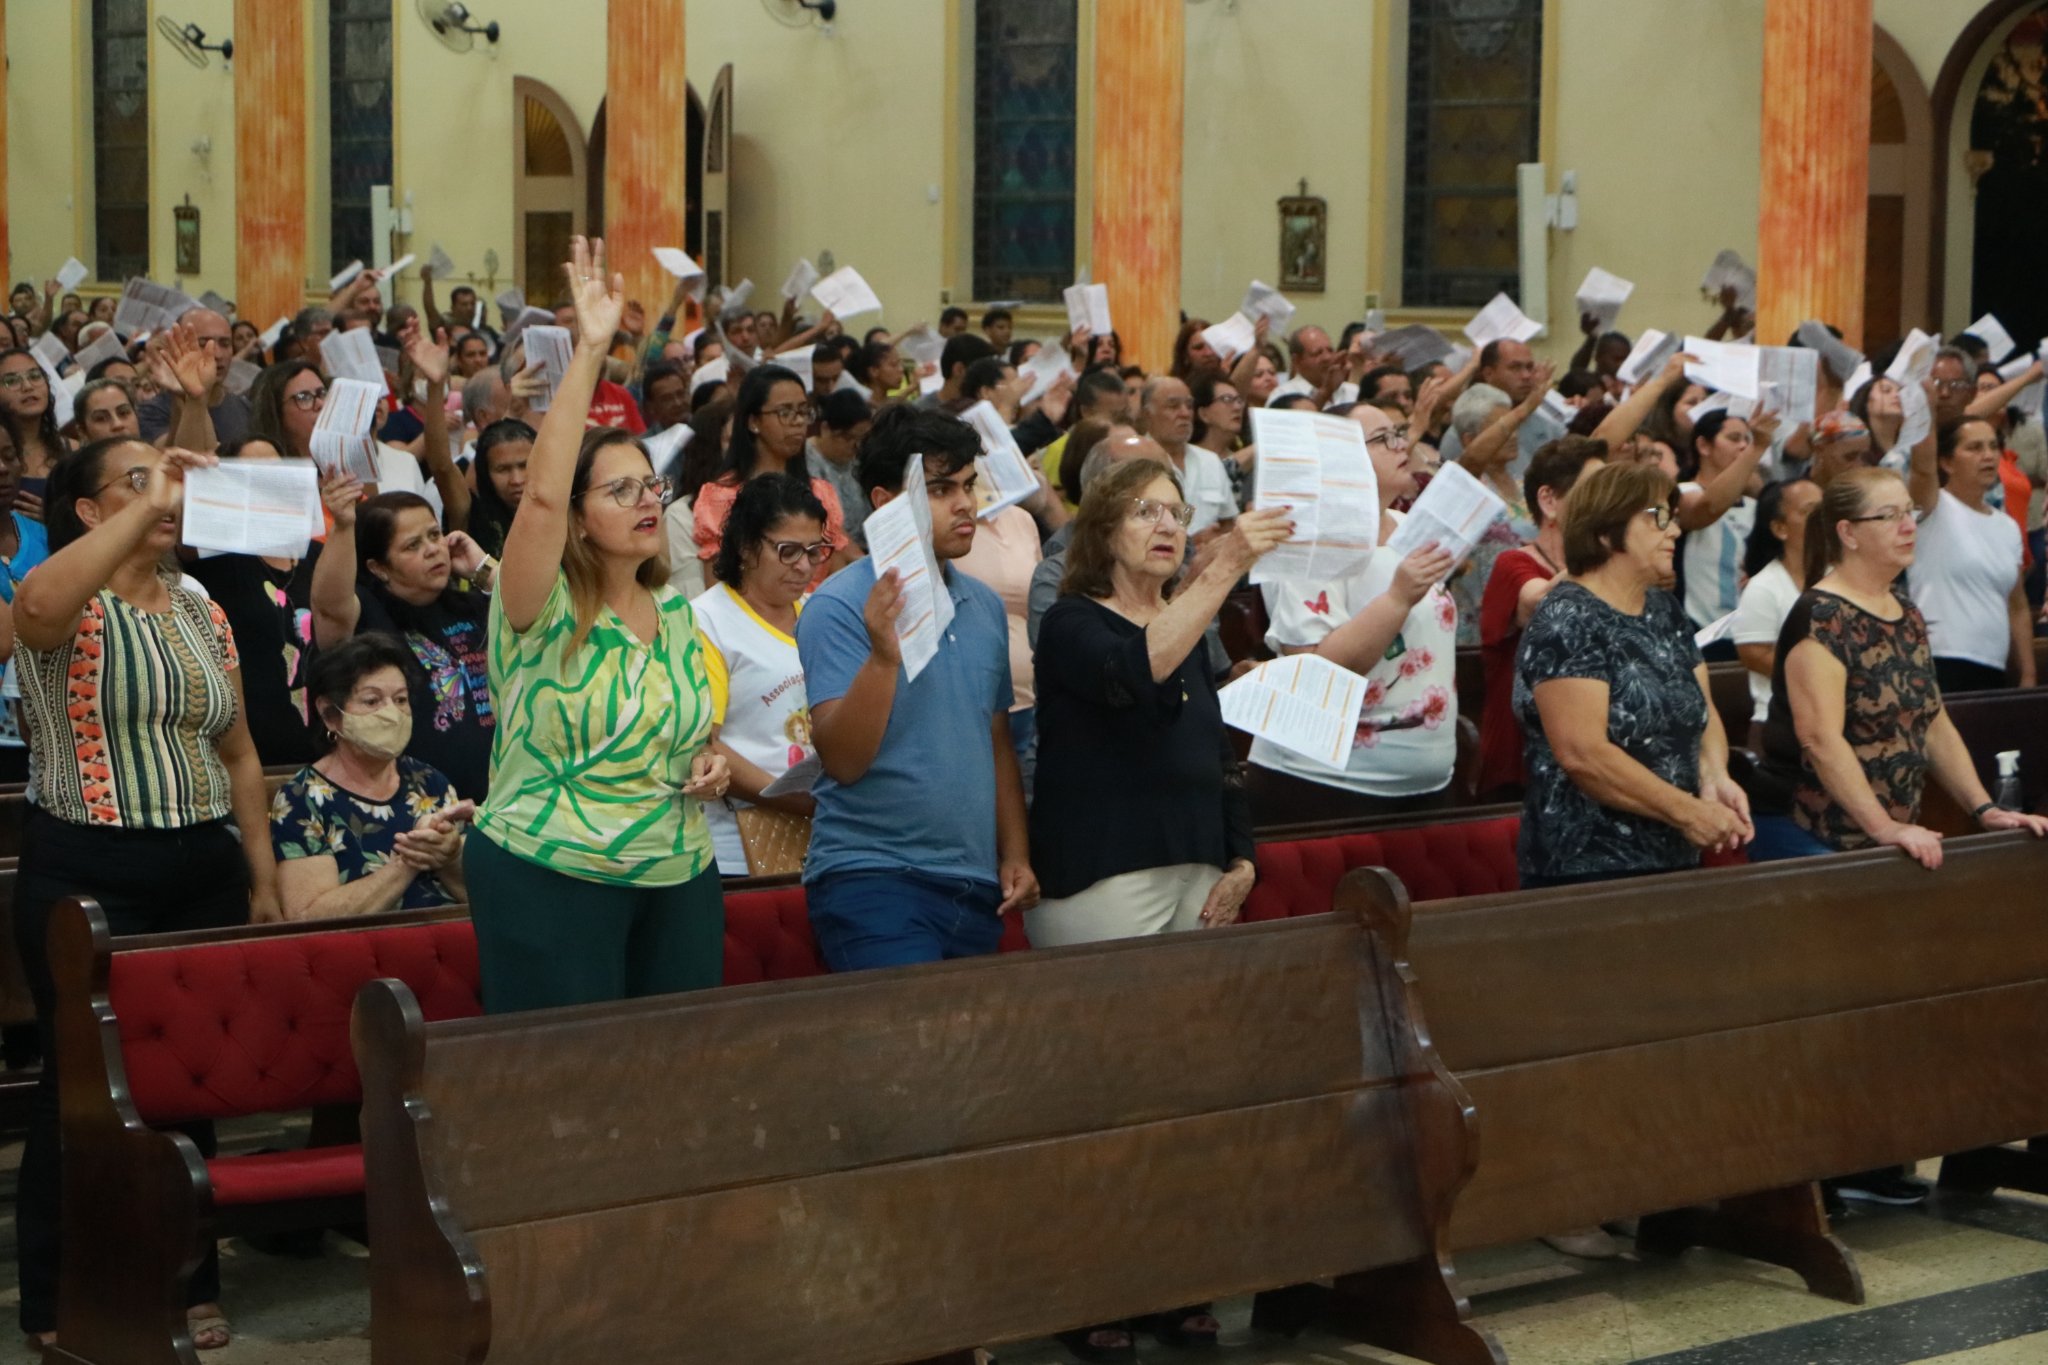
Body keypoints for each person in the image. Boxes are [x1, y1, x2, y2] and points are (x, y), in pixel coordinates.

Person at [12, 437, 281, 1353]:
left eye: (166, 482)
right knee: (77, 1090)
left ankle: (188, 1283)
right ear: (88, 510)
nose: (163, 497)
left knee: (186, 1083)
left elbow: (240, 750)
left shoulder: (199, 605)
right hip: (86, 865)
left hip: (200, 864)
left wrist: (263, 873)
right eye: (134, 482)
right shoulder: (63, 597)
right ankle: (54, 1296)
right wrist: (147, 497)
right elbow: (35, 607)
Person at [466, 237, 730, 1012]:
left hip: (678, 870)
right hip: (551, 870)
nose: (648, 500)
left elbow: (681, 727)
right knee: (570, 1087)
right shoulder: (535, 609)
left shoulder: (679, 615)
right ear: (577, 521)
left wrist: (709, 759)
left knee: (673, 1080)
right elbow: (539, 498)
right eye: (619, 492)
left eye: (650, 485)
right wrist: (590, 350)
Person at [797, 403, 1038, 970]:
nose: (965, 504)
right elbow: (845, 761)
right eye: (939, 489)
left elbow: (996, 741)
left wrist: (1017, 853)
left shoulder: (981, 604)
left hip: (974, 881)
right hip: (873, 876)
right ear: (885, 503)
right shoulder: (838, 605)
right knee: (908, 1056)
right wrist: (884, 656)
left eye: (969, 485)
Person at [1753, 466, 2048, 867]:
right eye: (1889, 516)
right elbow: (1820, 740)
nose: (1909, 526)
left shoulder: (1906, 612)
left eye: (1911, 513)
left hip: (1882, 829)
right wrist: (1884, 828)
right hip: (1808, 827)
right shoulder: (1821, 615)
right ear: (1847, 533)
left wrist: (1984, 809)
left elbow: (1932, 721)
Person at [1514, 461, 1751, 889]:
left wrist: (1714, 776)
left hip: (1673, 851)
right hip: (1588, 866)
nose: (1675, 531)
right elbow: (1583, 755)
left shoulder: (1663, 610)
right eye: (1659, 518)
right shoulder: (1568, 619)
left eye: (1674, 518)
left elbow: (1700, 709)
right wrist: (1688, 811)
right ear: (1606, 532)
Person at [1248, 404, 1459, 821]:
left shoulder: (1406, 524)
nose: (1402, 444)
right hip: (1325, 787)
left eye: (1398, 432)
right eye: (1383, 438)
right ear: (1335, 457)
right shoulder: (1307, 537)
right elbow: (1314, 673)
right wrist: (1397, 597)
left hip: (1428, 785)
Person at [311, 484, 497, 801]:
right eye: (412, 545)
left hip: (494, 799)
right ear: (378, 567)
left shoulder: (473, 605)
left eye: (435, 534)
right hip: (412, 804)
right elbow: (329, 606)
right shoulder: (369, 614)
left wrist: (485, 570)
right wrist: (343, 527)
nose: (432, 549)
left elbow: (546, 616)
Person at [271, 633, 472, 918]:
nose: (392, 714)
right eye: (372, 701)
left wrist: (451, 856)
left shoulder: (430, 782)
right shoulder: (301, 800)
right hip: (364, 956)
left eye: (400, 700)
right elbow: (308, 918)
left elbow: (483, 898)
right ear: (330, 714)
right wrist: (409, 858)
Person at [696, 474, 825, 875]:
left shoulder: (819, 612)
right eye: (788, 551)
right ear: (747, 548)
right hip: (739, 846)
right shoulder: (707, 621)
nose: (804, 566)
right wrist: (798, 800)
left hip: (823, 836)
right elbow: (705, 744)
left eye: (814, 550)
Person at [184, 437, 328, 767]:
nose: (268, 482)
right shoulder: (217, 561)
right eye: (253, 474)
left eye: (277, 471)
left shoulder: (318, 555)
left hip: (328, 748)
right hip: (256, 750)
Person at [1476, 436, 1606, 799]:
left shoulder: (1605, 571)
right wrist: (1612, 554)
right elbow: (1542, 600)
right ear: (1549, 501)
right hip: (1521, 766)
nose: (1609, 506)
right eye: (1595, 491)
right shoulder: (1513, 562)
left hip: (1583, 756)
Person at [692, 364, 851, 589]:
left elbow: (838, 579)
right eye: (784, 412)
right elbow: (717, 588)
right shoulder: (720, 497)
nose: (798, 421)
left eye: (803, 411)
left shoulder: (820, 493)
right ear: (753, 421)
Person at [1907, 415, 2034, 692]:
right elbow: (1921, 469)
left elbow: (2018, 606)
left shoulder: (2007, 526)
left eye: (1992, 446)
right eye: (1974, 448)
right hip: (1938, 661)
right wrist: (1924, 405)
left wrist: (2028, 674)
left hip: (1992, 665)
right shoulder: (1932, 507)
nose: (1988, 456)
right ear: (1947, 462)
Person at [957, 488, 1044, 789]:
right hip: (971, 705)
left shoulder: (1022, 519)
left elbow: (1038, 604)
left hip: (1031, 701)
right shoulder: (944, 527)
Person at [1730, 479, 1821, 737]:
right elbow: (1754, 654)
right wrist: (1824, 677)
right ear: (1781, 528)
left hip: (1832, 721)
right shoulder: (1763, 588)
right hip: (1780, 727)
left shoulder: (1840, 579)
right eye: (1809, 511)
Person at [1137, 376, 1235, 538]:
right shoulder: (1132, 460)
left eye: (1189, 406)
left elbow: (1228, 522)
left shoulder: (1210, 461)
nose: (1185, 413)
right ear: (1147, 414)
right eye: (1173, 406)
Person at [135, 309, 251, 446]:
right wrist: (183, 399)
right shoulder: (152, 410)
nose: (217, 355)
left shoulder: (244, 407)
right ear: (177, 346)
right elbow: (169, 453)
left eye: (225, 344)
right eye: (202, 344)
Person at [0, 348, 69, 520]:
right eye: (12, 381)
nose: (27, 387)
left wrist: (55, 521)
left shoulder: (74, 449)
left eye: (35, 376)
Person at [805, 388, 875, 548]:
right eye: (849, 437)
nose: (856, 446)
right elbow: (825, 525)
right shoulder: (806, 462)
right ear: (825, 429)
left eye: (862, 438)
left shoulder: (859, 456)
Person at [463, 418, 536, 558]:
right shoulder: (474, 519)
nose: (516, 480)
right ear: (485, 473)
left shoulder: (567, 512)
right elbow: (442, 468)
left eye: (524, 466)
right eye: (502, 469)